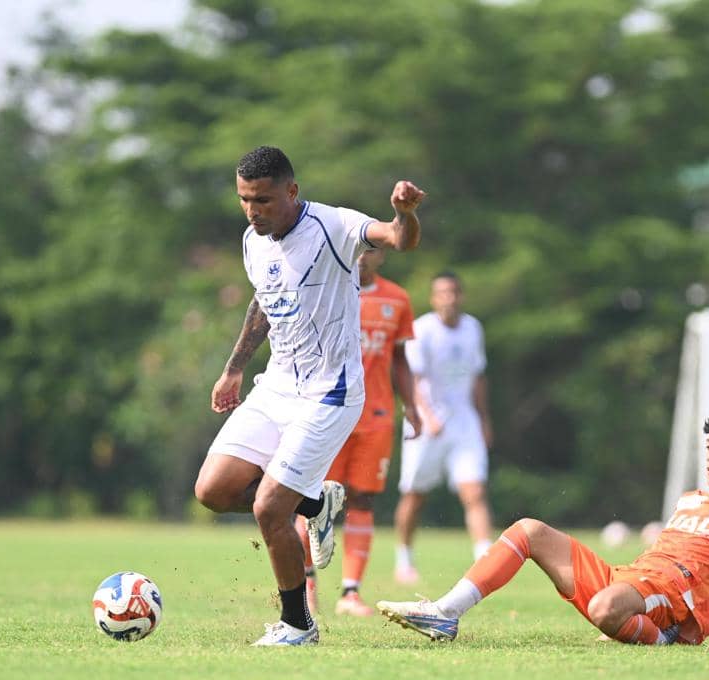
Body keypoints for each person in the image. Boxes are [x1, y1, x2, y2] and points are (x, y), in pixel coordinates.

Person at [194, 145, 426, 646]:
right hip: (277, 385)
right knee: (213, 491)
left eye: (263, 200)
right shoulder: (253, 240)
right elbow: (263, 302)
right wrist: (233, 369)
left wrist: (403, 214)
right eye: (244, 200)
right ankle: (316, 504)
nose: (253, 211)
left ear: (292, 191)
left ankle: (298, 624)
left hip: (331, 392)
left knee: (269, 509)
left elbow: (397, 241)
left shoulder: (333, 225)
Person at [377, 409, 709, 650]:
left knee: (603, 609)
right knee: (528, 528)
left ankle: (661, 638)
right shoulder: (691, 497)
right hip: (631, 578)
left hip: (671, 601)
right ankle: (446, 612)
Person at [293, 248, 421, 616]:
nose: (361, 257)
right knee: (311, 500)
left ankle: (350, 593)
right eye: (356, 250)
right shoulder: (326, 290)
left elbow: (400, 358)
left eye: (369, 251)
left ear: (381, 256)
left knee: (363, 499)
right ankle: (306, 585)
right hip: (329, 412)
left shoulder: (397, 298)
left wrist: (411, 406)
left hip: (376, 415)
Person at [393, 271, 493, 583]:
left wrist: (484, 419)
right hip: (426, 425)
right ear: (434, 298)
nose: (448, 298)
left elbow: (477, 377)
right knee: (415, 495)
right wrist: (427, 417)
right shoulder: (422, 329)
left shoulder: (472, 328)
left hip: (464, 423)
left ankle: (484, 562)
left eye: (453, 292)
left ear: (461, 296)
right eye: (442, 293)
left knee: (474, 491)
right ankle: (404, 558)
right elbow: (413, 378)